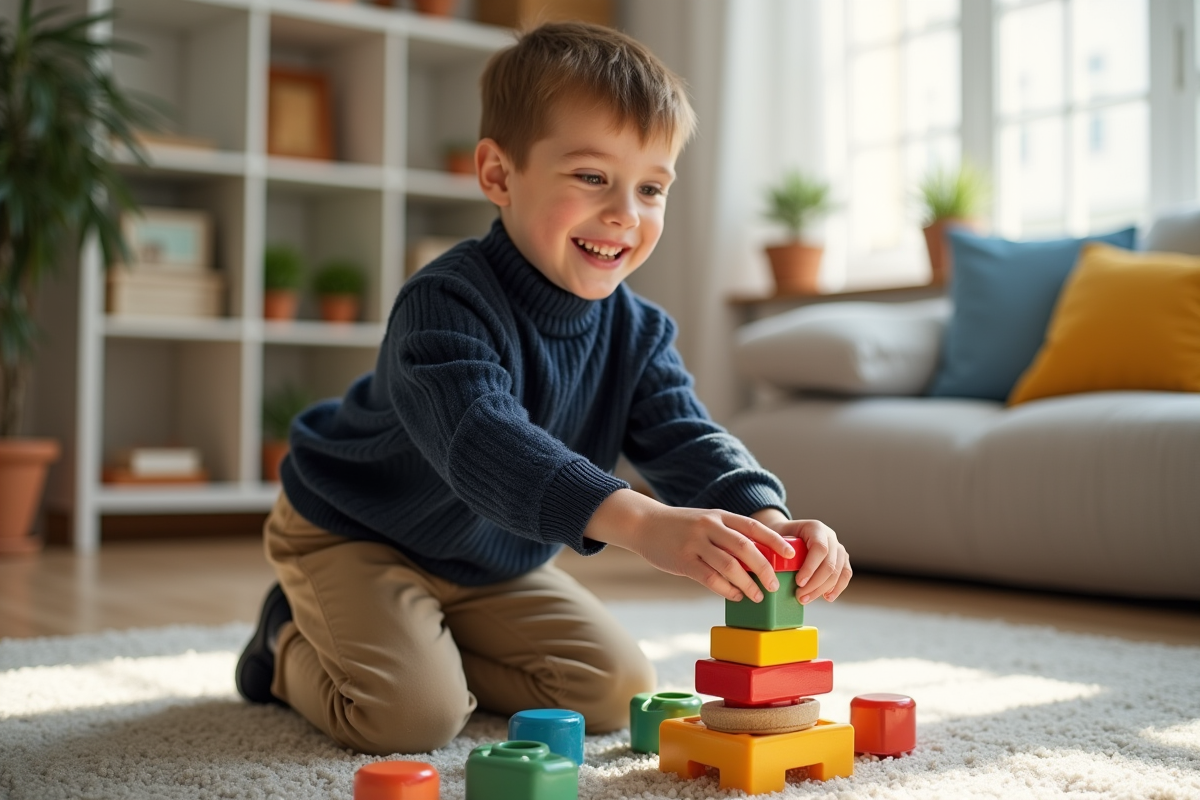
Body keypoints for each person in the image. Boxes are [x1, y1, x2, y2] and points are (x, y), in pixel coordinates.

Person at [235, 21, 852, 756]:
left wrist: (769, 517)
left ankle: (419, 638)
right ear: (498, 175)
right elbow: (484, 441)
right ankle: (282, 640)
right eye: (592, 177)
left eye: (651, 187)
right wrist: (645, 524)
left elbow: (687, 436)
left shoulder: (638, 330)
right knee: (409, 717)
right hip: (359, 528)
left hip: (489, 558)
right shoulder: (444, 302)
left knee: (614, 688)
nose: (626, 212)